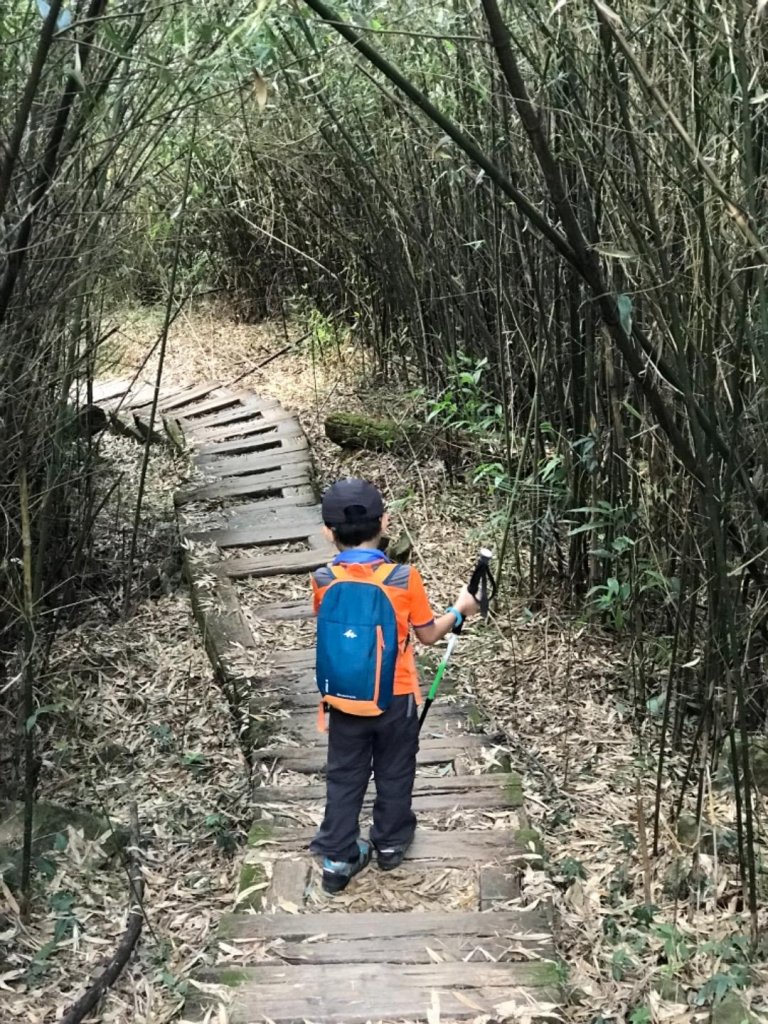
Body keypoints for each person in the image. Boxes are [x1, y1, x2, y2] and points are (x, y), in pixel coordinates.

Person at [309, 477, 480, 893]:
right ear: (384, 522)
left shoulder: (322, 579)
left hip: (342, 699)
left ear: (327, 532)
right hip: (396, 696)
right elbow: (426, 634)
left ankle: (337, 858)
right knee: (395, 770)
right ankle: (389, 845)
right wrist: (460, 610)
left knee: (345, 775)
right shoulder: (403, 578)